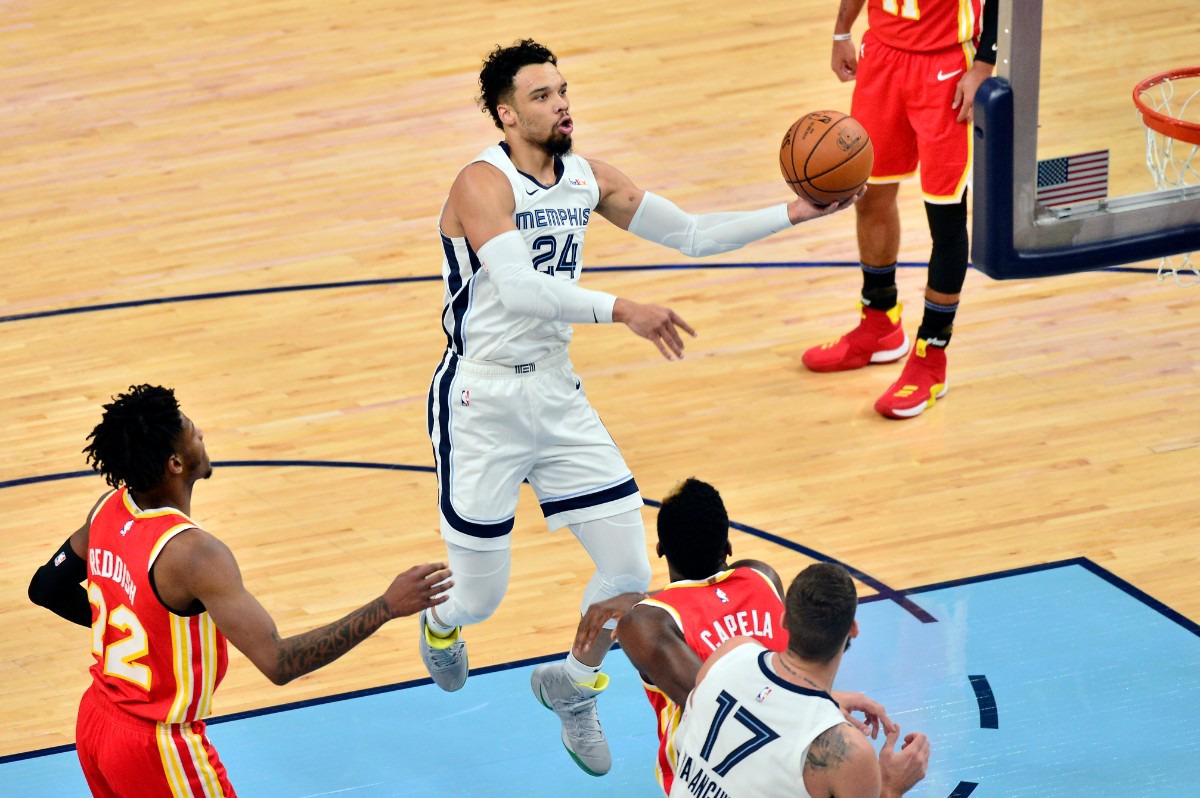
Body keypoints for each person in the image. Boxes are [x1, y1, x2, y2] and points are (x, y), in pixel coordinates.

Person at [419, 38, 862, 777]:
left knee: (628, 573)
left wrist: (795, 210)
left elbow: (688, 233)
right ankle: (441, 624)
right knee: (480, 596)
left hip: (555, 390)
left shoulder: (586, 177)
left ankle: (573, 686)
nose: (560, 104)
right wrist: (623, 308)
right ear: (505, 114)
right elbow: (523, 288)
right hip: (481, 398)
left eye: (562, 90)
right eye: (541, 96)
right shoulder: (480, 184)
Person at [27, 384, 452, 797]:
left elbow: (47, 586)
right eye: (192, 431)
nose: (201, 434)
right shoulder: (195, 555)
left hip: (96, 723)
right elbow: (279, 662)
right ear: (175, 463)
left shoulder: (107, 508)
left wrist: (131, 625)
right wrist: (386, 606)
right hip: (157, 747)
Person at [569, 478, 891, 791]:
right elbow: (766, 693)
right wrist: (823, 704)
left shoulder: (648, 624)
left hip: (712, 779)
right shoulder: (761, 576)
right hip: (789, 763)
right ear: (727, 545)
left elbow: (723, 704)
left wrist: (639, 604)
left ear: (660, 550)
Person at [802, 0, 998, 419]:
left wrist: (984, 63)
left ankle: (932, 356)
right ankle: (879, 323)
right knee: (868, 195)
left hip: (945, 66)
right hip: (882, 58)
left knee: (944, 216)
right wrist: (842, 31)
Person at [668, 562, 930, 797]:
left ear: (784, 619)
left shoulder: (731, 653)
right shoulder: (849, 751)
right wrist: (891, 787)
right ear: (853, 629)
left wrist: (828, 702)